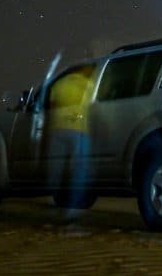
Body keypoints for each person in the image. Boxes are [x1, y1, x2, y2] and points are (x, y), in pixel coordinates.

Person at [45, 63, 96, 224]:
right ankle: (73, 209)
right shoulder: (89, 84)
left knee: (56, 168)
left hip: (58, 128)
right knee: (78, 171)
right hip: (78, 130)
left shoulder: (60, 83)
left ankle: (53, 203)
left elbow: (52, 105)